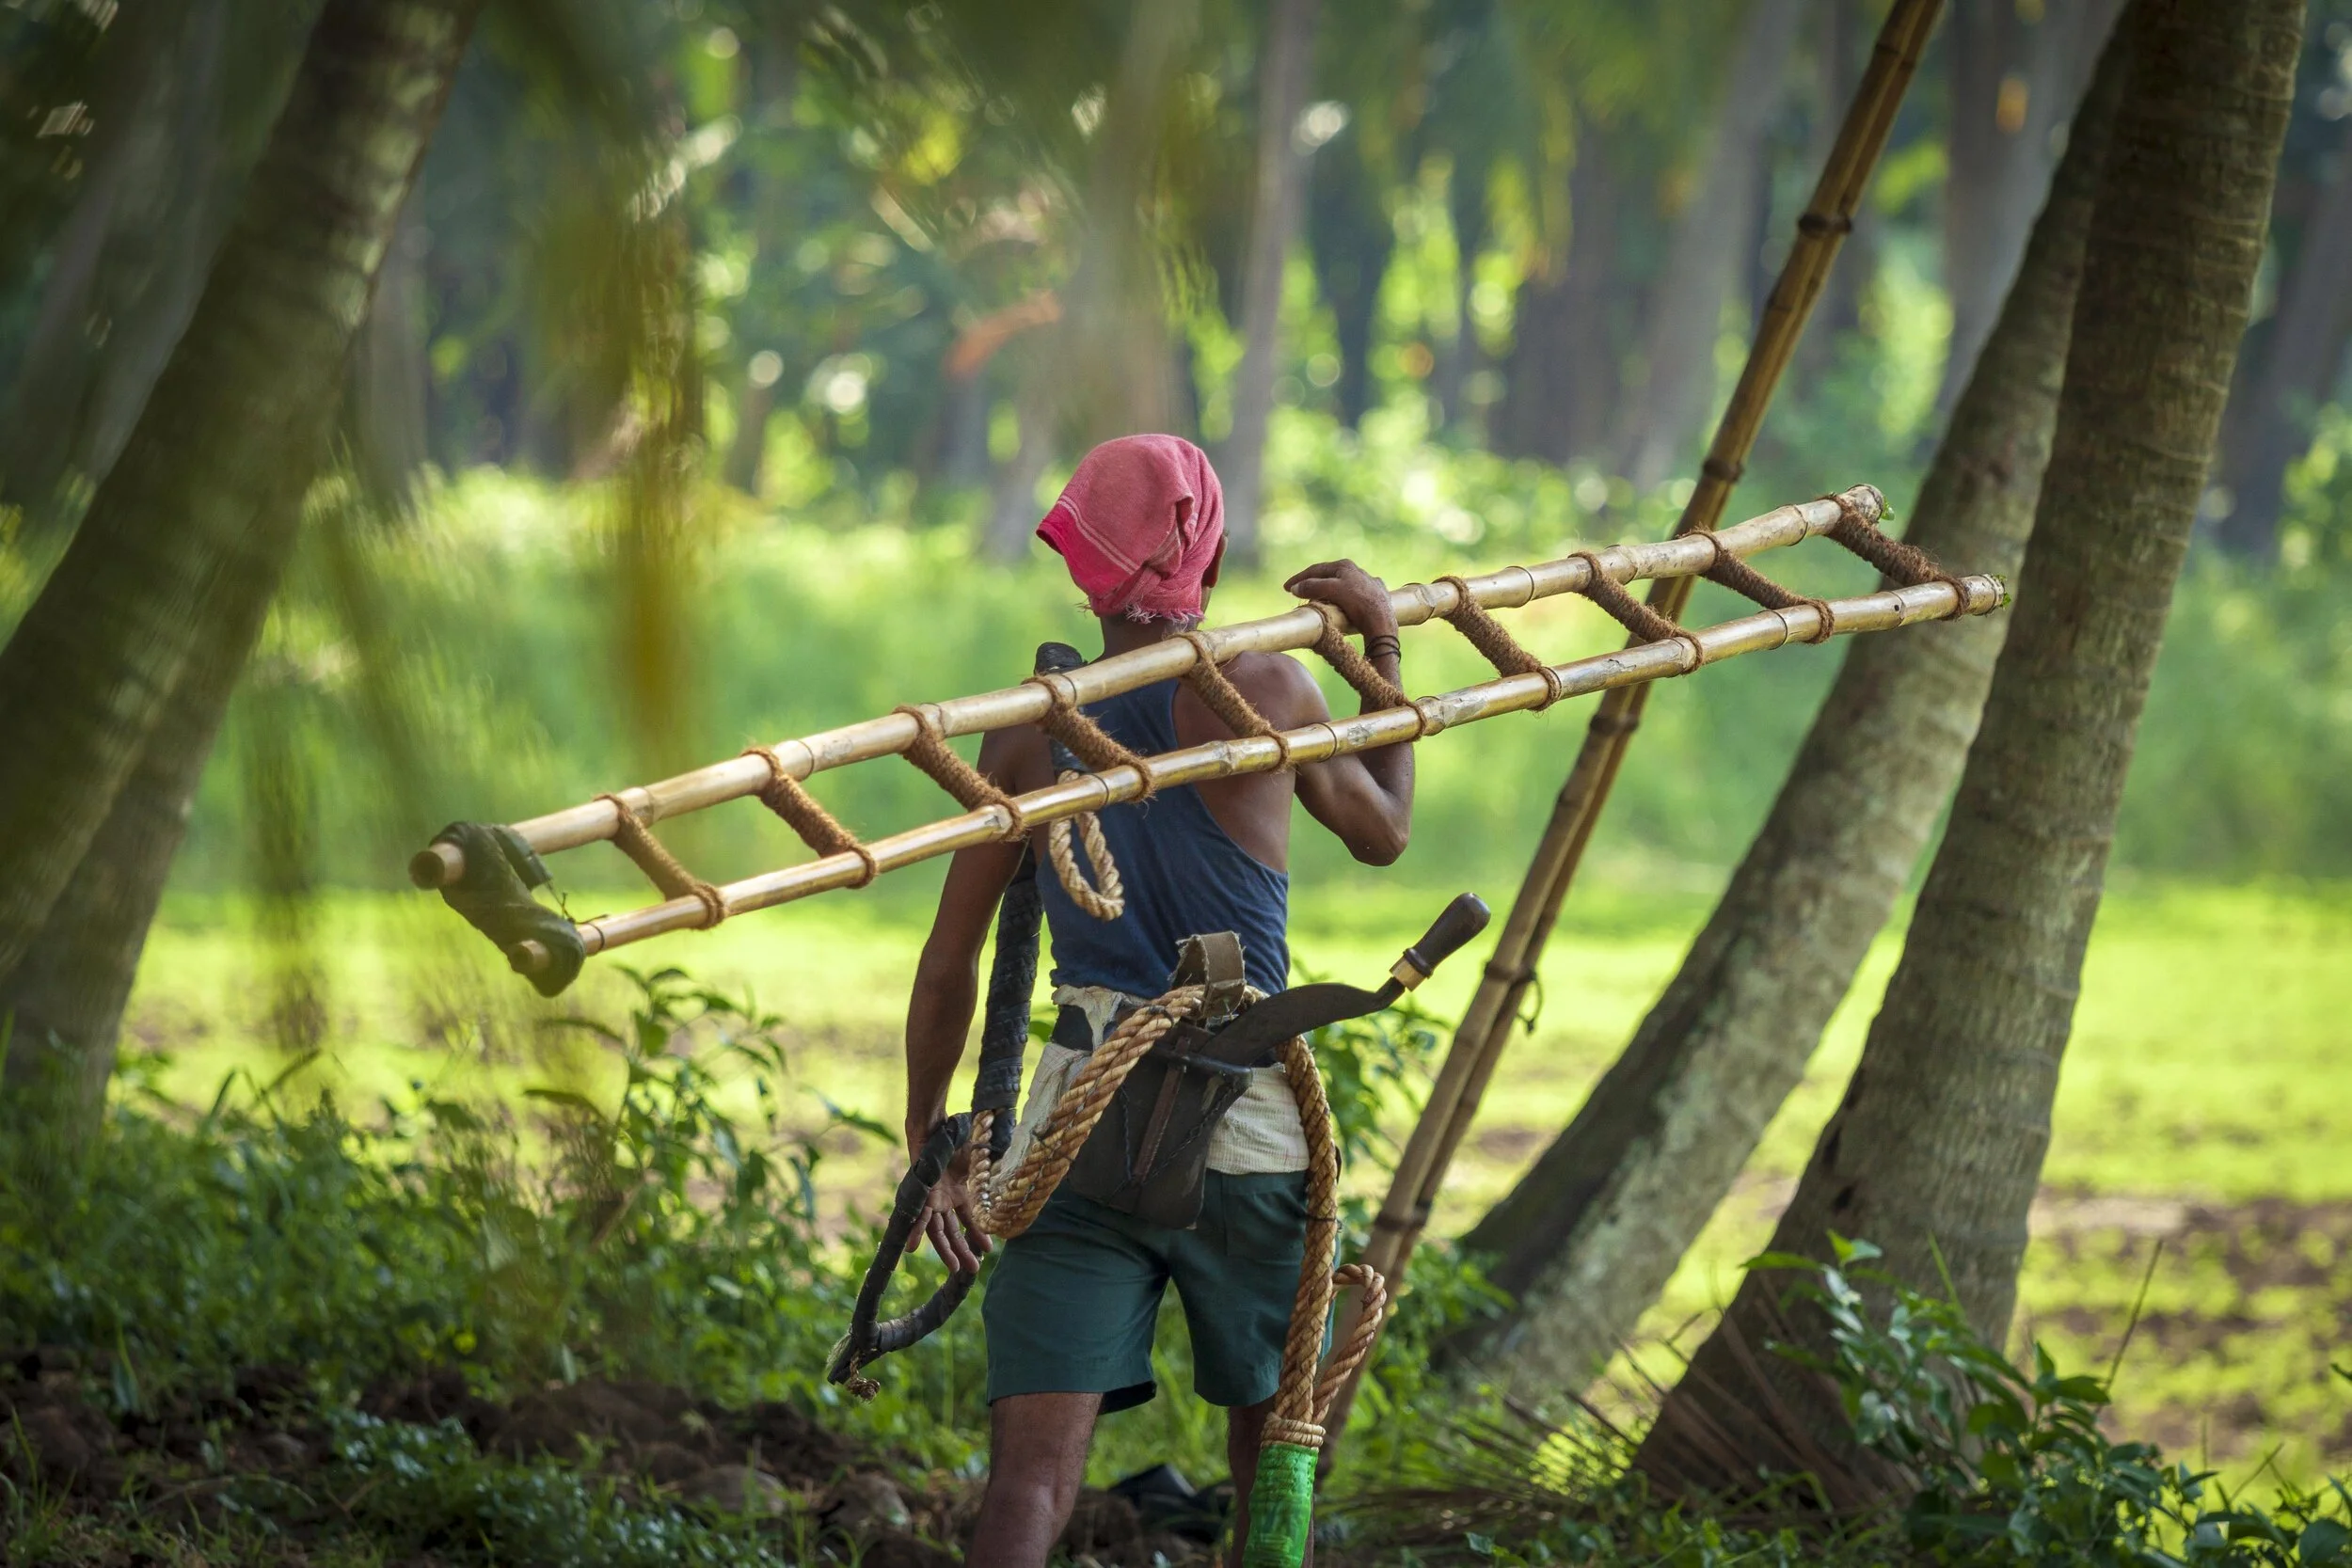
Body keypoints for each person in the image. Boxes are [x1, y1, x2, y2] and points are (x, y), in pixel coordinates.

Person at [899, 434, 1414, 1568]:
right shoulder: (1269, 685)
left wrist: (931, 1137)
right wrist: (1380, 640)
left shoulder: (1028, 730)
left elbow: (948, 967)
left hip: (1075, 1118)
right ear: (1210, 559)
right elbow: (1384, 831)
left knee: (1028, 1484)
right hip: (1252, 1121)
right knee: (1272, 1466)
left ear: (1079, 562)